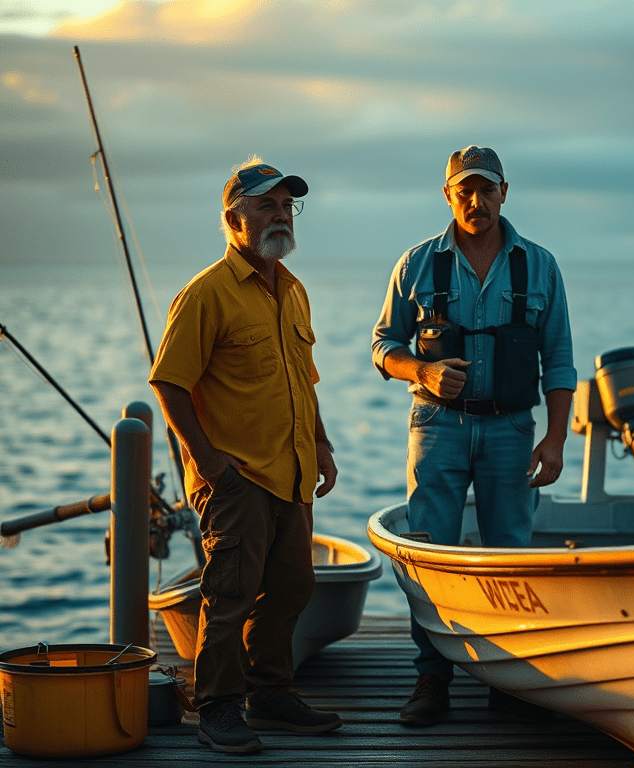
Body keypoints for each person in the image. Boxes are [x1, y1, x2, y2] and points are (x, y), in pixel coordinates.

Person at [372, 146, 577, 726]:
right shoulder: (415, 265)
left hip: (513, 429)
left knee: (510, 553)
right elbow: (383, 346)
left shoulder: (539, 265)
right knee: (429, 547)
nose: (476, 200)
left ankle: (505, 680)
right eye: (464, 189)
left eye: (487, 189)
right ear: (447, 196)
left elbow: (559, 362)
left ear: (504, 193)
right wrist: (423, 371)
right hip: (436, 427)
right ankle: (431, 678)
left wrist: (555, 439)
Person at [150, 157, 342, 754]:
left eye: (287, 205)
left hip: (291, 472)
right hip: (235, 476)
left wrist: (322, 443)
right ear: (234, 219)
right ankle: (218, 708)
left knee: (291, 587)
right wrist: (206, 461)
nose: (280, 214)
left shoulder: (294, 290)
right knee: (229, 596)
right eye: (266, 205)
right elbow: (169, 382)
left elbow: (302, 381)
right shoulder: (206, 293)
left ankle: (271, 694)